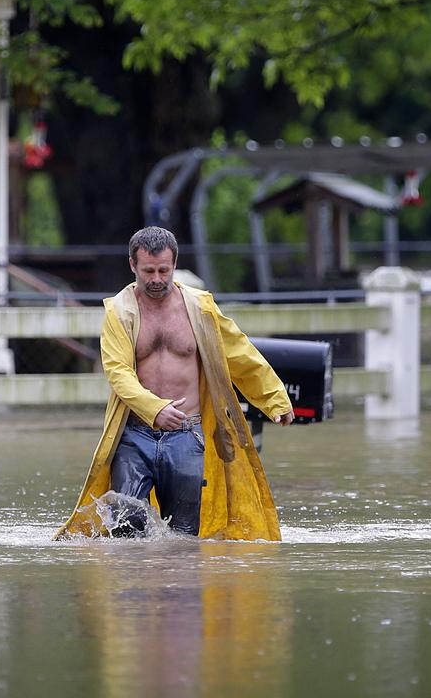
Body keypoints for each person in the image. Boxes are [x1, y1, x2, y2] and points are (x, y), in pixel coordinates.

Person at [55, 226, 295, 541]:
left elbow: (240, 353)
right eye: (148, 271)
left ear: (174, 265)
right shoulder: (119, 311)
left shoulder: (200, 308)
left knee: (184, 538)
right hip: (133, 437)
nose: (156, 279)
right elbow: (117, 372)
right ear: (133, 266)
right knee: (126, 530)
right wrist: (155, 409)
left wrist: (275, 400)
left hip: (186, 435)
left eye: (164, 271)